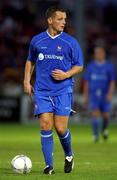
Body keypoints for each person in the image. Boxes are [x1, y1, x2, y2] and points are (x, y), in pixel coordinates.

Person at [24, 6, 83, 174]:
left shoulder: (71, 42)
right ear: (50, 20)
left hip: (63, 90)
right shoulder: (37, 40)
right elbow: (30, 61)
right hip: (42, 91)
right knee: (45, 125)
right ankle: (48, 165)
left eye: (65, 19)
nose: (63, 22)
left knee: (60, 128)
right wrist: (26, 81)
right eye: (60, 19)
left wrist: (66, 74)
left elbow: (79, 66)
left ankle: (69, 155)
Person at [83, 46, 115, 142]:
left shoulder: (109, 66)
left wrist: (110, 93)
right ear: (95, 54)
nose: (98, 54)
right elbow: (86, 82)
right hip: (94, 95)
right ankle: (95, 135)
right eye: (96, 53)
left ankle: (104, 129)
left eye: (100, 53)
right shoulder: (91, 66)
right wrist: (86, 95)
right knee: (95, 113)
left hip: (105, 94)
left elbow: (112, 81)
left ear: (104, 54)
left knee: (105, 115)